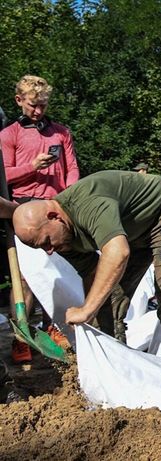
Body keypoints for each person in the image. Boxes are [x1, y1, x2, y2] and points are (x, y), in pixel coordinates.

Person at [12, 171, 161, 368]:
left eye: (47, 242)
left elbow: (118, 252)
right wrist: (92, 315)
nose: (49, 251)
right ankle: (114, 370)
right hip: (132, 231)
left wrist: (86, 310)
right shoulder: (62, 239)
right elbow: (92, 275)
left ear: (54, 217)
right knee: (107, 303)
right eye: (41, 247)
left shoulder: (88, 204)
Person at [0, 74, 79, 363]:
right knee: (24, 277)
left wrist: (70, 195)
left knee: (56, 272)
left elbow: (72, 169)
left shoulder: (61, 133)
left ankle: (53, 327)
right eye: (33, 105)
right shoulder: (9, 135)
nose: (38, 111)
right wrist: (31, 168)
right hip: (21, 210)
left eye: (43, 105)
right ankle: (21, 337)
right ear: (19, 101)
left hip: (55, 208)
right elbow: (3, 175)